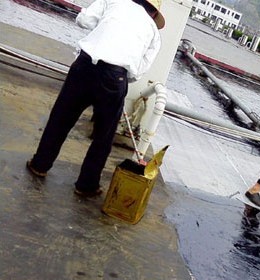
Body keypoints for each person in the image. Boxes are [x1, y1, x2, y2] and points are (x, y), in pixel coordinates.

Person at [26, 0, 165, 196]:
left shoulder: (114, 1)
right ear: (153, 13)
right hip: (114, 77)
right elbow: (140, 69)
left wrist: (104, 27)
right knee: (104, 136)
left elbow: (83, 20)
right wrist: (120, 77)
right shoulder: (154, 32)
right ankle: (86, 185)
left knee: (60, 119)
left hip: (85, 65)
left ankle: (40, 165)